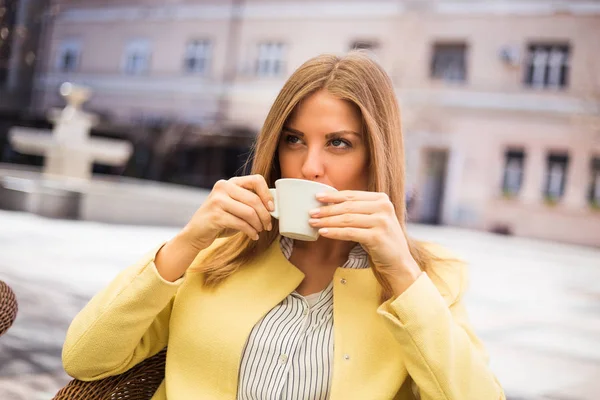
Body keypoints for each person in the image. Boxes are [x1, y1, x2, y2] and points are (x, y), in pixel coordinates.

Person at [62, 52, 505, 400]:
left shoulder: (432, 279)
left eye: (338, 143)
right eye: (294, 140)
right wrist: (187, 242)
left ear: (377, 157)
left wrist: (403, 276)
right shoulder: (213, 258)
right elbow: (85, 359)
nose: (309, 167)